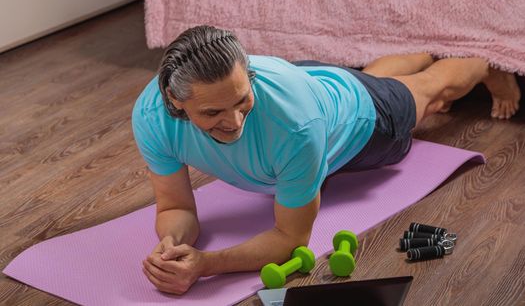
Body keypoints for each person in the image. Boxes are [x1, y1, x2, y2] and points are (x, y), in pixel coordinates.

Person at [131, 25, 511, 295]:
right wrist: (172, 244)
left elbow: (291, 237)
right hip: (312, 81)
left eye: (242, 99)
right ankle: (413, 55)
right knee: (362, 79)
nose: (233, 122)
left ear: (249, 74)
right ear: (175, 100)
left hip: (366, 120)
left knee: (431, 92)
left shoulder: (294, 125)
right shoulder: (152, 116)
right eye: (213, 112)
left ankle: (483, 64)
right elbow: (176, 205)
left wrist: (207, 265)